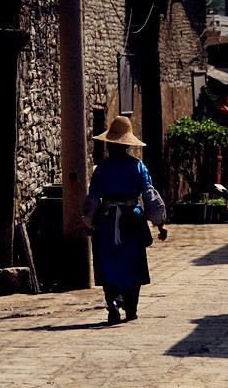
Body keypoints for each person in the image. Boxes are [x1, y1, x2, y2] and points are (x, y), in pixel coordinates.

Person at [82, 115, 167, 325]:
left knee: (108, 262)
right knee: (133, 263)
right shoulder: (138, 167)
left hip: (107, 222)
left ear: (110, 145)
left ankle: (112, 303)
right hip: (132, 222)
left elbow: (93, 199)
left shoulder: (101, 169)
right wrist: (160, 224)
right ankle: (131, 309)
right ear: (128, 145)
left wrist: (90, 224)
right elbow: (150, 196)